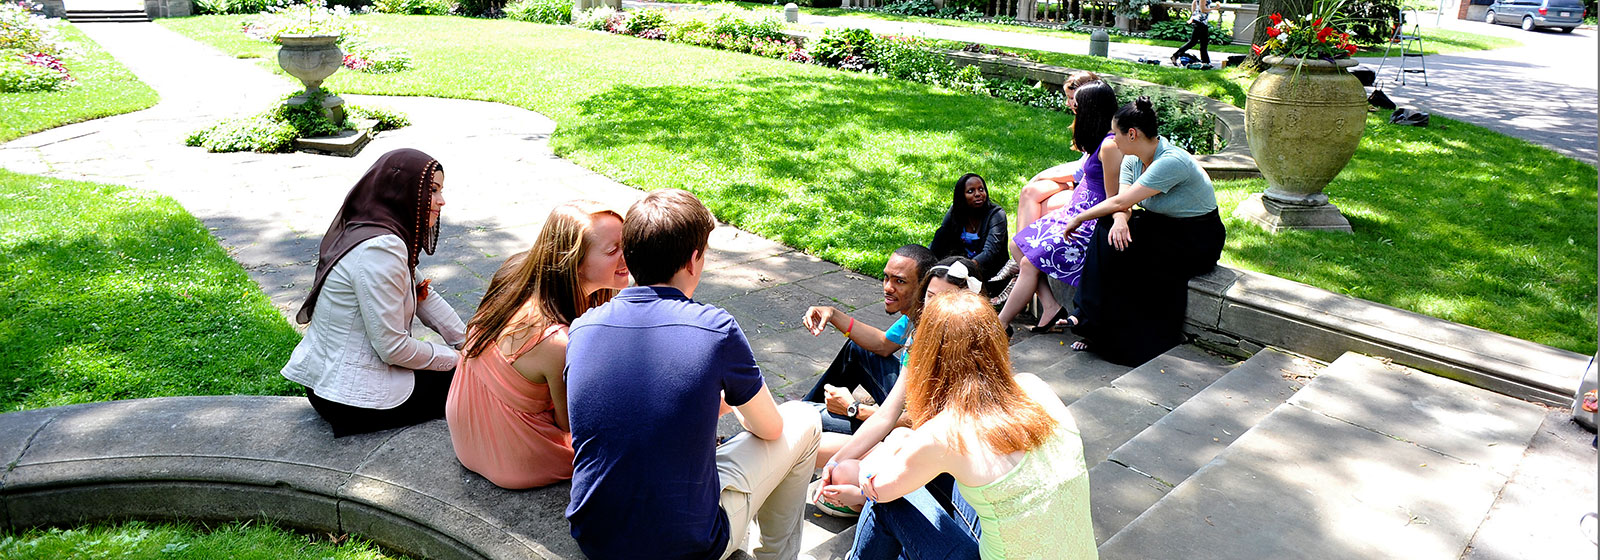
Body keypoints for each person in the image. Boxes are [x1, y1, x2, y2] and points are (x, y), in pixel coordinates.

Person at [564, 189, 821, 560]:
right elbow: (770, 429)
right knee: (805, 419)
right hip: (687, 546)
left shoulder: (582, 327)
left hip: (595, 536)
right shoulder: (716, 329)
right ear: (694, 259)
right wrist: (729, 404)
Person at [840, 290, 1097, 559]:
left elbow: (876, 487)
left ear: (930, 356)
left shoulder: (945, 433)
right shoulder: (1035, 387)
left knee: (888, 502)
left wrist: (885, 451)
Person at [444, 201, 629, 490]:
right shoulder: (557, 342)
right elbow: (570, 423)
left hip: (466, 434)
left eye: (626, 243)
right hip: (516, 460)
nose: (626, 255)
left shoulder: (517, 270)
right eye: (612, 250)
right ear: (574, 262)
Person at [282, 148, 466, 438]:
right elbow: (392, 348)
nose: (441, 201)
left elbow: (424, 296)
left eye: (440, 191)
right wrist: (459, 360)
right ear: (402, 193)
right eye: (432, 190)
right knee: (475, 381)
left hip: (327, 384)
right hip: (352, 400)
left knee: (468, 370)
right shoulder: (382, 249)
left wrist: (469, 341)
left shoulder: (372, 230)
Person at [809, 255, 983, 517]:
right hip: (909, 444)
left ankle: (872, 506)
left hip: (947, 470)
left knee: (838, 461)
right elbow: (887, 414)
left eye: (945, 300)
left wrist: (854, 410)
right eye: (930, 296)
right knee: (815, 444)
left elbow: (924, 430)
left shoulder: (971, 357)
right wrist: (834, 464)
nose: (934, 307)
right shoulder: (918, 338)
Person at [1063, 96, 1226, 366]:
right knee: (1108, 230)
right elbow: (1122, 202)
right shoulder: (1133, 159)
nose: (1113, 140)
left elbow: (1120, 201)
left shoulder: (1171, 162)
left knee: (1126, 251)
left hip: (1197, 238)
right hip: (1162, 226)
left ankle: (1120, 334)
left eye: (1115, 134)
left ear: (1132, 133)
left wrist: (1079, 217)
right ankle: (1089, 318)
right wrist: (1118, 220)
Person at [997, 81, 1124, 334]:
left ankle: (999, 325)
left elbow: (1114, 198)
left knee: (1029, 264)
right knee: (1018, 245)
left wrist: (1081, 219)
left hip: (1089, 223)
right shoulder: (1097, 138)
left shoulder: (1110, 145)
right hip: (1074, 213)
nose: (1073, 108)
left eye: (1078, 105)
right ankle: (1051, 306)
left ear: (1092, 110)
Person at [799, 244, 936, 466]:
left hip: (909, 429)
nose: (888, 288)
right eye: (886, 278)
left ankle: (786, 423)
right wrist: (832, 314)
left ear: (923, 286)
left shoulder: (933, 337)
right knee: (858, 349)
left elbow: (915, 421)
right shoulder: (918, 313)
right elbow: (882, 344)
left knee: (805, 418)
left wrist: (852, 408)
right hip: (901, 408)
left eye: (900, 281)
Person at [990, 71, 1103, 302]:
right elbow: (1080, 164)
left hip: (1088, 194)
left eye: (1073, 98)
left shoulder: (1099, 125)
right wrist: (1039, 178)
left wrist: (1043, 175)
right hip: (1081, 184)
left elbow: (1081, 171)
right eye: (1069, 98)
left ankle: (1023, 265)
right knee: (1030, 191)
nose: (1070, 104)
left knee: (1042, 205)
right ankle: (1020, 262)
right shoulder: (1085, 121)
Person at [929, 174, 1008, 295]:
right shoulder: (955, 212)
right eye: (971, 191)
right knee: (942, 233)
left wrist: (964, 268)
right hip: (960, 263)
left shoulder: (996, 215)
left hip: (989, 273)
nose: (978, 194)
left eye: (981, 189)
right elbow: (940, 239)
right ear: (962, 197)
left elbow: (990, 252)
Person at [1171, 0, 1216, 67]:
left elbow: (1194, 2)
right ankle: (1175, 55)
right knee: (1193, 42)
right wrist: (1214, 8)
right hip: (1200, 22)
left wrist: (1194, 15)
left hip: (1202, 22)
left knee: (1203, 43)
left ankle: (1206, 62)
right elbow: (1203, 10)